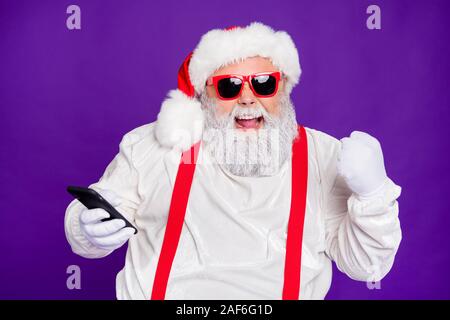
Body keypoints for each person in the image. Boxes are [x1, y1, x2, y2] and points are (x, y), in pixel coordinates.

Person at [64, 22, 402, 300]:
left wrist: (373, 196)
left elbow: (365, 266)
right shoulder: (154, 145)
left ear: (283, 87)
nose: (246, 98)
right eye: (228, 87)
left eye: (264, 83)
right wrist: (85, 227)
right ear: (204, 94)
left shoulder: (322, 154)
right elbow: (100, 210)